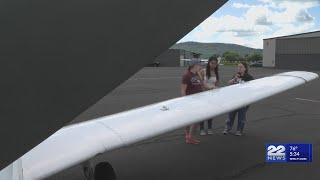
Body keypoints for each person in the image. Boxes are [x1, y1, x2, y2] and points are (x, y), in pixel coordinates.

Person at [222, 62, 254, 136]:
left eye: (241, 67)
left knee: (241, 116)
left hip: (244, 100)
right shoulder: (236, 76)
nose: (239, 68)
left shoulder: (249, 77)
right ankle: (227, 128)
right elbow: (229, 83)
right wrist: (235, 78)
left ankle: (239, 130)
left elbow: (252, 88)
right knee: (231, 115)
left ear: (245, 68)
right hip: (234, 100)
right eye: (238, 67)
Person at [181, 59, 203, 144]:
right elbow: (183, 90)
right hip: (191, 101)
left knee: (190, 119)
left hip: (198, 101)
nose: (200, 66)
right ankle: (190, 137)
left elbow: (201, 84)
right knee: (195, 119)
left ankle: (188, 136)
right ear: (195, 65)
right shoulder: (186, 75)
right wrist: (185, 102)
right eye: (199, 65)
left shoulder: (196, 74)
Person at [198, 56, 219, 135]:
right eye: (212, 63)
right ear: (209, 63)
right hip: (203, 94)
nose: (213, 65)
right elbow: (198, 82)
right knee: (203, 112)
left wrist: (217, 89)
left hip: (212, 95)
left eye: (215, 63)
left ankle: (210, 128)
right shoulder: (203, 71)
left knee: (211, 112)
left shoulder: (216, 73)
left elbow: (216, 84)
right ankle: (202, 129)